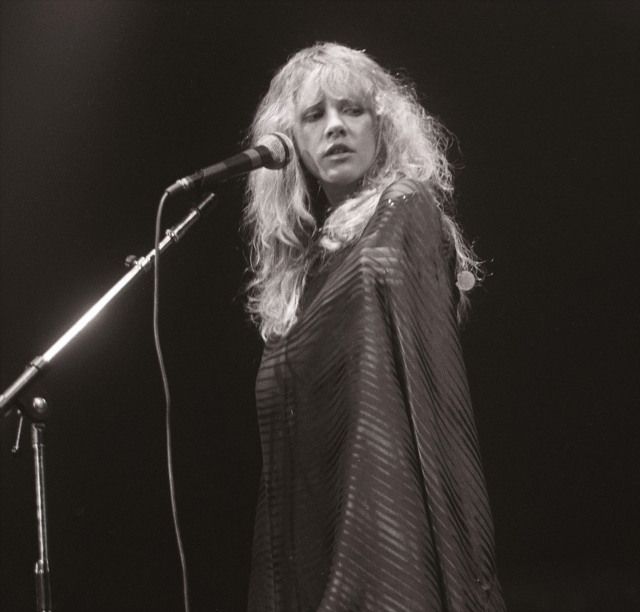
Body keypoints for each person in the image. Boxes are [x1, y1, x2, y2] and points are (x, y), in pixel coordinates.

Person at [243, 42, 505, 612]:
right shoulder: (303, 270)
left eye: (352, 109)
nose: (335, 126)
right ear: (291, 142)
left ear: (381, 121)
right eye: (314, 115)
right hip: (317, 543)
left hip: (392, 533)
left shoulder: (404, 207)